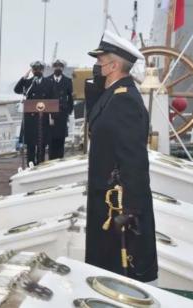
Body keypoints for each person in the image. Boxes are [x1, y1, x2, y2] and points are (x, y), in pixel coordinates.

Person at [85, 30, 157, 283]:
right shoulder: (113, 93)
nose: (96, 64)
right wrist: (94, 85)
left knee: (117, 269)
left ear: (114, 65)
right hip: (104, 198)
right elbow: (95, 120)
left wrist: (132, 211)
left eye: (100, 60)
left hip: (116, 204)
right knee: (105, 263)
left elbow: (135, 162)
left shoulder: (124, 100)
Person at [13, 60, 55, 165]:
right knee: (31, 146)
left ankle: (40, 166)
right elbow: (17, 89)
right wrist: (24, 77)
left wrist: (52, 118)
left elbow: (53, 100)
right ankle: (30, 166)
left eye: (39, 69)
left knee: (41, 145)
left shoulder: (49, 82)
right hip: (30, 120)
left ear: (43, 70)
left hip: (43, 119)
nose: (37, 71)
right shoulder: (28, 83)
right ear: (32, 70)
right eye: (35, 69)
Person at [46, 59, 74, 159]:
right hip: (50, 115)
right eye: (56, 66)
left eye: (60, 66)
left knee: (60, 139)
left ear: (63, 68)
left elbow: (70, 98)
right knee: (51, 139)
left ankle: (60, 159)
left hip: (62, 114)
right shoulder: (47, 80)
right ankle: (51, 160)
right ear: (53, 67)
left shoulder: (67, 81)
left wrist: (69, 111)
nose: (58, 68)